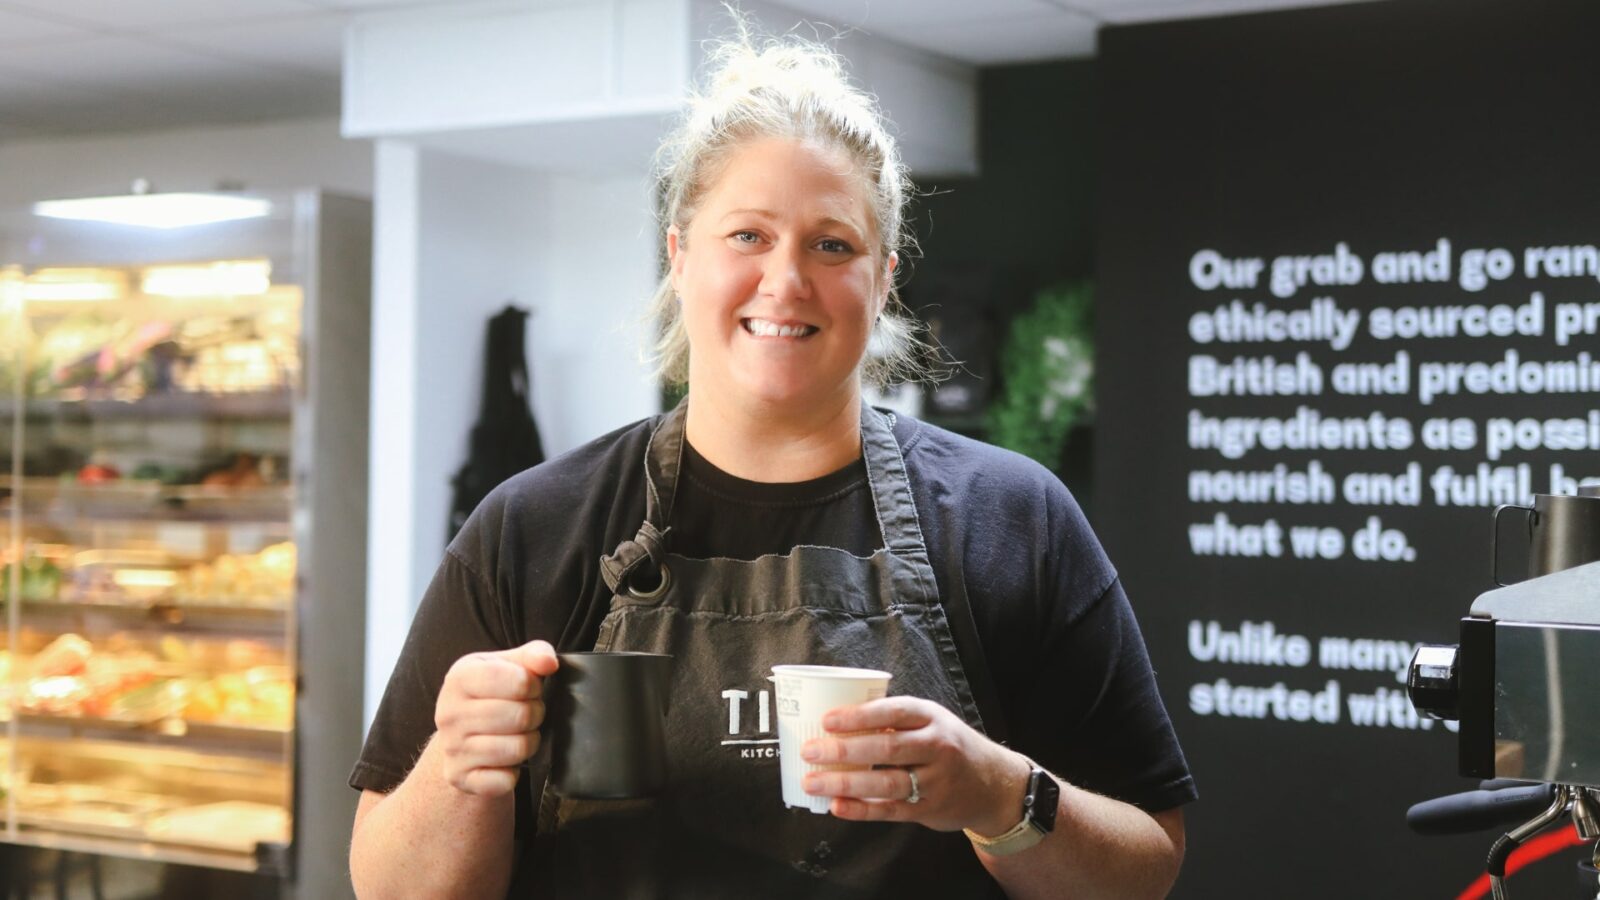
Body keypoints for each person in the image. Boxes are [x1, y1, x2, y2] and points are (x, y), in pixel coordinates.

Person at [348, 21, 1194, 900]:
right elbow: (388, 888)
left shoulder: (1013, 518)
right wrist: (456, 766)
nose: (786, 280)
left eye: (833, 244)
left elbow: (1145, 868)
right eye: (748, 236)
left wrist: (998, 794)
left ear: (883, 278)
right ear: (680, 257)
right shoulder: (534, 529)